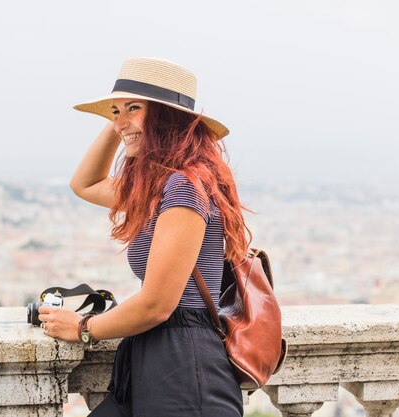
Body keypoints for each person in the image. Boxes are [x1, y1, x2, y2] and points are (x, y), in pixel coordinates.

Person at [38, 57, 250, 417]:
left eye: (133, 108)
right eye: (115, 111)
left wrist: (84, 328)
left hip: (184, 365)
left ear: (169, 117)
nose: (120, 121)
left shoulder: (185, 187)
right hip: (155, 357)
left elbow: (157, 304)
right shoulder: (158, 188)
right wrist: (122, 122)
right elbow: (85, 184)